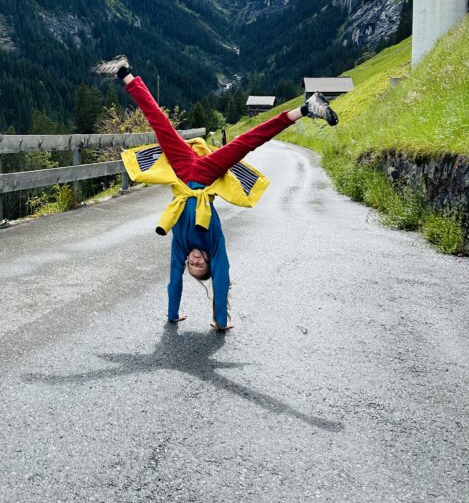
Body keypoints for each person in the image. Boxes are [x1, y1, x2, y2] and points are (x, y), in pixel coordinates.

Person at [93, 55, 338, 332]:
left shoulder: (180, 246)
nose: (195, 261)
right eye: (201, 265)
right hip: (208, 173)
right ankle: (306, 108)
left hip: (184, 171)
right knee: (249, 141)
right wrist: (221, 322)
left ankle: (123, 71)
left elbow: (174, 279)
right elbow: (221, 279)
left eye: (192, 265)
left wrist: (172, 315)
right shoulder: (215, 242)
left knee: (159, 122)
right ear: (209, 261)